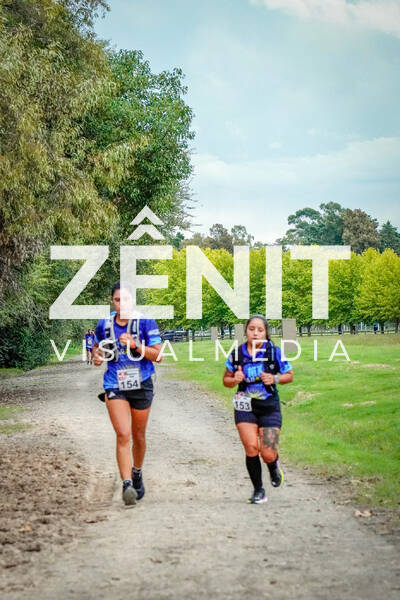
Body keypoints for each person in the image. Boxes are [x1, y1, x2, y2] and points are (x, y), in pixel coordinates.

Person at [93, 283, 162, 506]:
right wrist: (96, 356)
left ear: (133, 300)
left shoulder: (145, 322)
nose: (121, 304)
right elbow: (96, 349)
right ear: (112, 301)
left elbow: (158, 356)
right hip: (115, 384)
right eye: (117, 300)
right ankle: (127, 485)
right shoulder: (104, 325)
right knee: (123, 434)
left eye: (126, 299)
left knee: (138, 435)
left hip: (141, 383)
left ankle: (137, 472)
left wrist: (135, 345)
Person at [223, 315, 293, 504]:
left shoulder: (274, 352)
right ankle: (258, 490)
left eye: (260, 330)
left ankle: (273, 465)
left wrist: (275, 378)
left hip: (269, 407)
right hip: (245, 407)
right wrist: (234, 380)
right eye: (251, 329)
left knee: (267, 453)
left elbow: (289, 375)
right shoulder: (237, 354)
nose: (255, 333)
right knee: (251, 447)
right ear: (246, 331)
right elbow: (226, 380)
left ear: (266, 333)